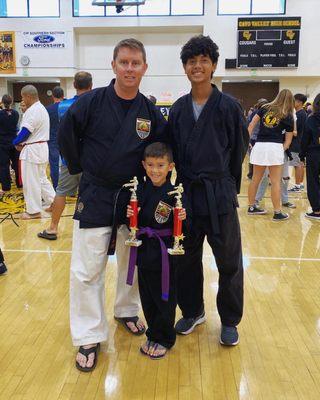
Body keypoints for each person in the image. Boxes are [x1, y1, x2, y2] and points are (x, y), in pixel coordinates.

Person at [58, 38, 167, 372]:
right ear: (113, 65)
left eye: (136, 63)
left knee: (129, 260)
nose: (130, 68)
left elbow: (160, 150)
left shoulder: (149, 111)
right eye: (124, 62)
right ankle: (89, 335)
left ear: (145, 68)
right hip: (97, 192)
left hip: (133, 195)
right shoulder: (89, 103)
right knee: (86, 267)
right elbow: (66, 136)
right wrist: (82, 169)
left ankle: (126, 310)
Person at [168, 35, 248, 345]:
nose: (197, 66)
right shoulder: (177, 109)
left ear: (213, 65)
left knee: (229, 261)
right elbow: (171, 153)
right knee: (186, 259)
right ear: (185, 68)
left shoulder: (229, 107)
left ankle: (229, 320)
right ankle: (193, 311)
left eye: (203, 60)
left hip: (219, 195)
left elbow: (239, 151)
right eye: (191, 62)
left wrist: (227, 188)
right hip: (187, 193)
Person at [125, 142, 187, 359]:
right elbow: (132, 223)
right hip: (144, 251)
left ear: (170, 166)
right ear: (143, 165)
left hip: (165, 254)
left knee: (165, 297)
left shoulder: (174, 193)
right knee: (148, 296)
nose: (155, 170)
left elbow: (184, 228)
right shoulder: (139, 190)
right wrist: (130, 214)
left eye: (160, 165)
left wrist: (183, 218)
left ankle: (165, 337)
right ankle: (153, 334)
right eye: (150, 165)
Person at [37, 72, 93, 241]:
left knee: (61, 192)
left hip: (69, 158)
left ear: (74, 85)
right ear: (91, 85)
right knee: (90, 193)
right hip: (91, 159)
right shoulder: (96, 104)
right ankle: (89, 230)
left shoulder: (63, 106)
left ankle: (53, 228)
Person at [247, 89, 294, 221]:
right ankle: (277, 212)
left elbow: (251, 125)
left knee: (255, 178)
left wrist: (247, 142)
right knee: (275, 182)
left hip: (260, 146)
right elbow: (288, 141)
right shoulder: (288, 115)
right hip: (275, 147)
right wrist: (280, 149)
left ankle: (251, 207)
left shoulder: (264, 108)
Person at [13, 85, 55, 219]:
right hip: (41, 147)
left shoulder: (33, 110)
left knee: (31, 181)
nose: (22, 100)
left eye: (23, 97)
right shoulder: (41, 108)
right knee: (42, 178)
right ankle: (53, 202)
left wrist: (14, 143)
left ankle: (33, 211)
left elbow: (25, 132)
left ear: (28, 96)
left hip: (33, 150)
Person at [299, 93, 320, 220]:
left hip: (314, 154)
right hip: (314, 153)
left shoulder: (311, 119)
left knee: (313, 182)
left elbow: (305, 139)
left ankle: (317, 211)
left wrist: (302, 155)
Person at [0, 94, 20, 196]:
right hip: (14, 141)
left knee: (4, 166)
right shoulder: (16, 114)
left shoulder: (0, 114)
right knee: (16, 164)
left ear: (2, 102)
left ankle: (6, 187)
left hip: (2, 143)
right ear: (11, 102)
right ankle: (19, 183)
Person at [288, 93, 307, 193]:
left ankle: (298, 185)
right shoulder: (300, 113)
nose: (292, 103)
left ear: (299, 102)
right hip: (299, 142)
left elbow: (295, 131)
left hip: (297, 143)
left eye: (294, 100)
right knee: (300, 163)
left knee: (297, 164)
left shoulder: (300, 114)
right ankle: (300, 184)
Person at [46, 86, 64, 190]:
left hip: (52, 139)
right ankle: (71, 189)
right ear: (63, 95)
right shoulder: (69, 107)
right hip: (67, 140)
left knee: (54, 165)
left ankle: (56, 187)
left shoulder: (48, 109)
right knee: (69, 164)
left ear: (53, 96)